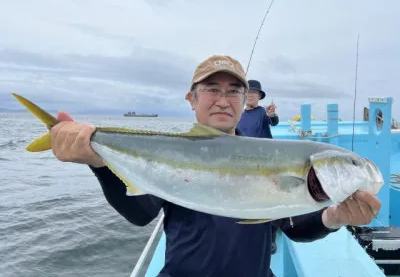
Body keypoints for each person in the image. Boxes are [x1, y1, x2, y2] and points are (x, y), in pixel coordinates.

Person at [50, 55, 381, 277]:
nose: (224, 99)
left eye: (235, 90)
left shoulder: (268, 154)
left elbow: (295, 226)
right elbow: (140, 214)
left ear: (244, 100)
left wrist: (335, 216)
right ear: (191, 99)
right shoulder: (172, 152)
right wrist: (100, 163)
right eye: (211, 89)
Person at [237, 79, 279, 254]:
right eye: (248, 92)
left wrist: (272, 114)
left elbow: (273, 121)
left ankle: (271, 238)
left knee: (269, 200)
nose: (251, 95)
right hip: (243, 165)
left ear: (259, 97)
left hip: (265, 165)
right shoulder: (238, 114)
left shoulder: (263, 113)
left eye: (254, 93)